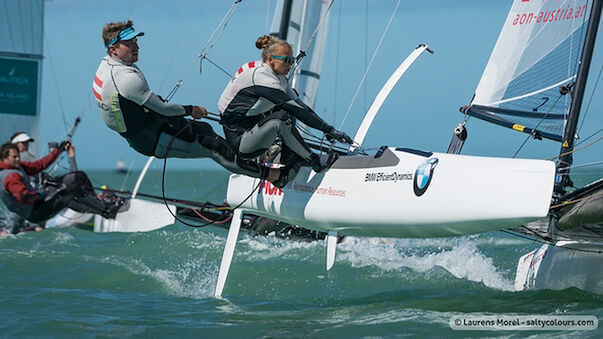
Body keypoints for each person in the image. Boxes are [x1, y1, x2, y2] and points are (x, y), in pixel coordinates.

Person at [93, 20, 282, 184]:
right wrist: (192, 109)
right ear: (113, 49)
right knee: (214, 148)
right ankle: (273, 176)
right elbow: (164, 109)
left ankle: (251, 160)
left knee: (205, 130)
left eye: (136, 41)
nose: (136, 47)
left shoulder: (108, 64)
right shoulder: (125, 78)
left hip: (152, 122)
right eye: (129, 44)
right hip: (150, 138)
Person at [218, 35, 353, 176]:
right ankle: (315, 161)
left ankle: (290, 157)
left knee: (286, 108)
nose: (291, 64)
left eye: (292, 60)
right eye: (287, 60)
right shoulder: (262, 77)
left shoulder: (280, 78)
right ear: (270, 59)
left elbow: (302, 108)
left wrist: (329, 129)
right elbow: (296, 111)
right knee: (281, 117)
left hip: (255, 129)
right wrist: (328, 130)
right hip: (242, 144)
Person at [0, 142, 120, 227]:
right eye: (14, 157)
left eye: (18, 156)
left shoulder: (16, 166)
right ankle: (107, 211)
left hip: (38, 204)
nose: (18, 159)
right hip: (36, 212)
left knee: (77, 177)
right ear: (4, 158)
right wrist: (40, 194)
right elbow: (24, 197)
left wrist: (58, 150)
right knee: (71, 192)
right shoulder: (11, 176)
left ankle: (98, 203)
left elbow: (39, 165)